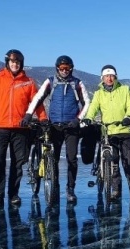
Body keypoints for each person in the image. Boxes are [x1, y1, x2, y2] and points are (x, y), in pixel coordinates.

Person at [21, 55, 90, 203]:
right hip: (55, 126)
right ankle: (55, 186)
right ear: (57, 68)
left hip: (71, 126)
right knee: (54, 158)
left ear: (71, 68)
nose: (64, 71)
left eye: (67, 68)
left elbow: (87, 103)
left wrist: (77, 119)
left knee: (72, 159)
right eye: (61, 68)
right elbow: (37, 98)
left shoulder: (77, 83)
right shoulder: (50, 81)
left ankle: (70, 188)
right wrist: (28, 114)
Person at [0, 49, 47, 209]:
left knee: (18, 163)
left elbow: (37, 102)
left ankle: (13, 195)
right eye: (12, 62)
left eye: (17, 62)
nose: (15, 64)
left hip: (21, 128)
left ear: (21, 64)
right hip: (1, 128)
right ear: (7, 63)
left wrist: (43, 118)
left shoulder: (28, 82)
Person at [83, 64, 130, 202]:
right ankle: (115, 190)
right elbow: (93, 108)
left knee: (129, 162)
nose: (109, 78)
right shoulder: (99, 93)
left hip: (124, 131)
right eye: (106, 76)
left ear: (115, 77)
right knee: (113, 163)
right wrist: (88, 117)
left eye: (111, 76)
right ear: (102, 78)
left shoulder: (125, 89)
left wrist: (128, 117)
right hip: (108, 132)